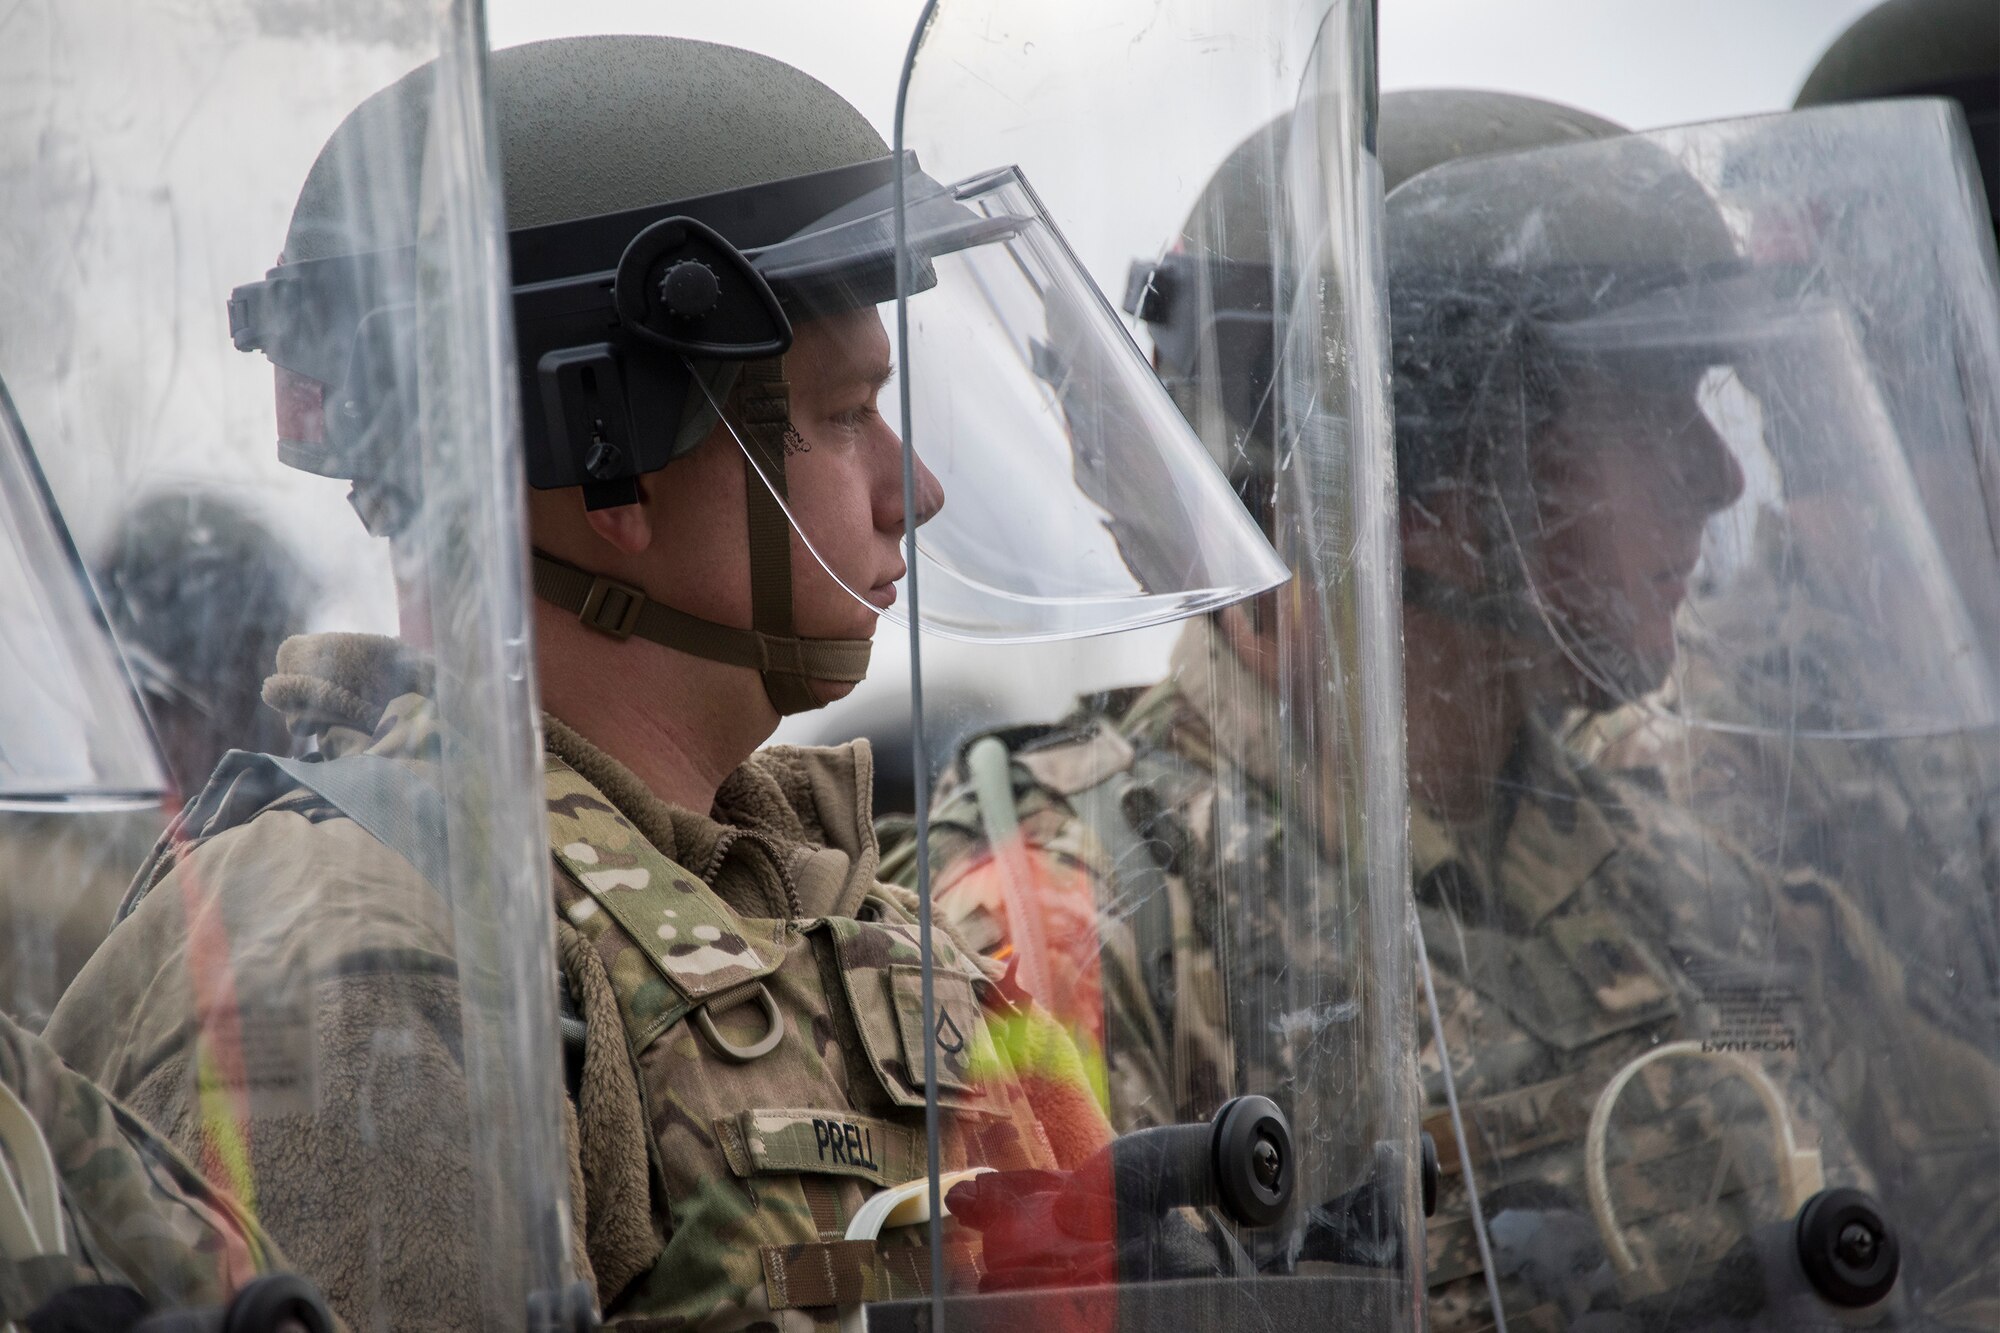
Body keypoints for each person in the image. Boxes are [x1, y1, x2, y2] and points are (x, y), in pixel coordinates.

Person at [42, 31, 1299, 1333]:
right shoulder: (365, 967)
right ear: (615, 469)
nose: (912, 489)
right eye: (844, 410)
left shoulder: (823, 900)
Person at [910, 87, 2000, 1330]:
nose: (1718, 474)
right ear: (1419, 481)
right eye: (1649, 410)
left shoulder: (1691, 858)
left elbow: (1959, 1247)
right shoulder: (1061, 932)